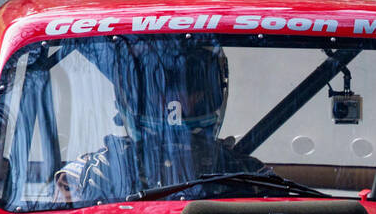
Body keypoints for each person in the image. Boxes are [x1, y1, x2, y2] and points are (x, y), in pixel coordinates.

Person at [55, 39, 269, 204]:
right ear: (128, 93)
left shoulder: (251, 177)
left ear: (211, 92)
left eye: (191, 83)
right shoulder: (87, 177)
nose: (175, 98)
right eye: (160, 84)